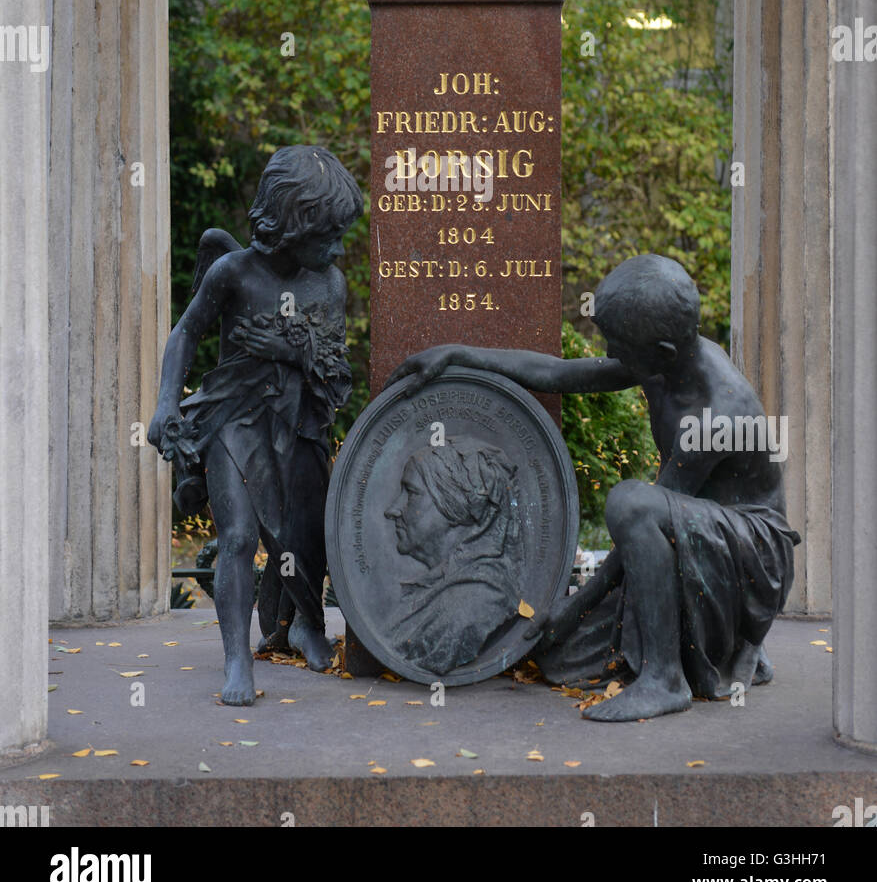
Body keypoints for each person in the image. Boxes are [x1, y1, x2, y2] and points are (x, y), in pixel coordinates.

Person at [388, 254, 800, 721]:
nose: (611, 353)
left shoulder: (712, 414)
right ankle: (724, 646)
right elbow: (564, 374)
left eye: (618, 345)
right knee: (558, 660)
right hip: (704, 535)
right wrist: (460, 354)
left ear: (661, 351)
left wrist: (575, 607)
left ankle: (666, 678)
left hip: (753, 556)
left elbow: (644, 524)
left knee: (629, 501)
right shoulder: (670, 360)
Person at [148, 146, 363, 706]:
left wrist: (290, 353)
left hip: (298, 424)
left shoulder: (330, 285)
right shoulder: (233, 271)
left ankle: (302, 626)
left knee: (303, 537)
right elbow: (186, 333)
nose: (339, 249)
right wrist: (167, 402)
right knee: (240, 537)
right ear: (292, 224)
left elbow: (336, 367)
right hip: (232, 419)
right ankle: (236, 660)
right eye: (329, 236)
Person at [384, 436, 523, 675]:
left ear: (455, 507)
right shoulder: (438, 587)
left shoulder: (475, 603)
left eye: (411, 493)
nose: (393, 509)